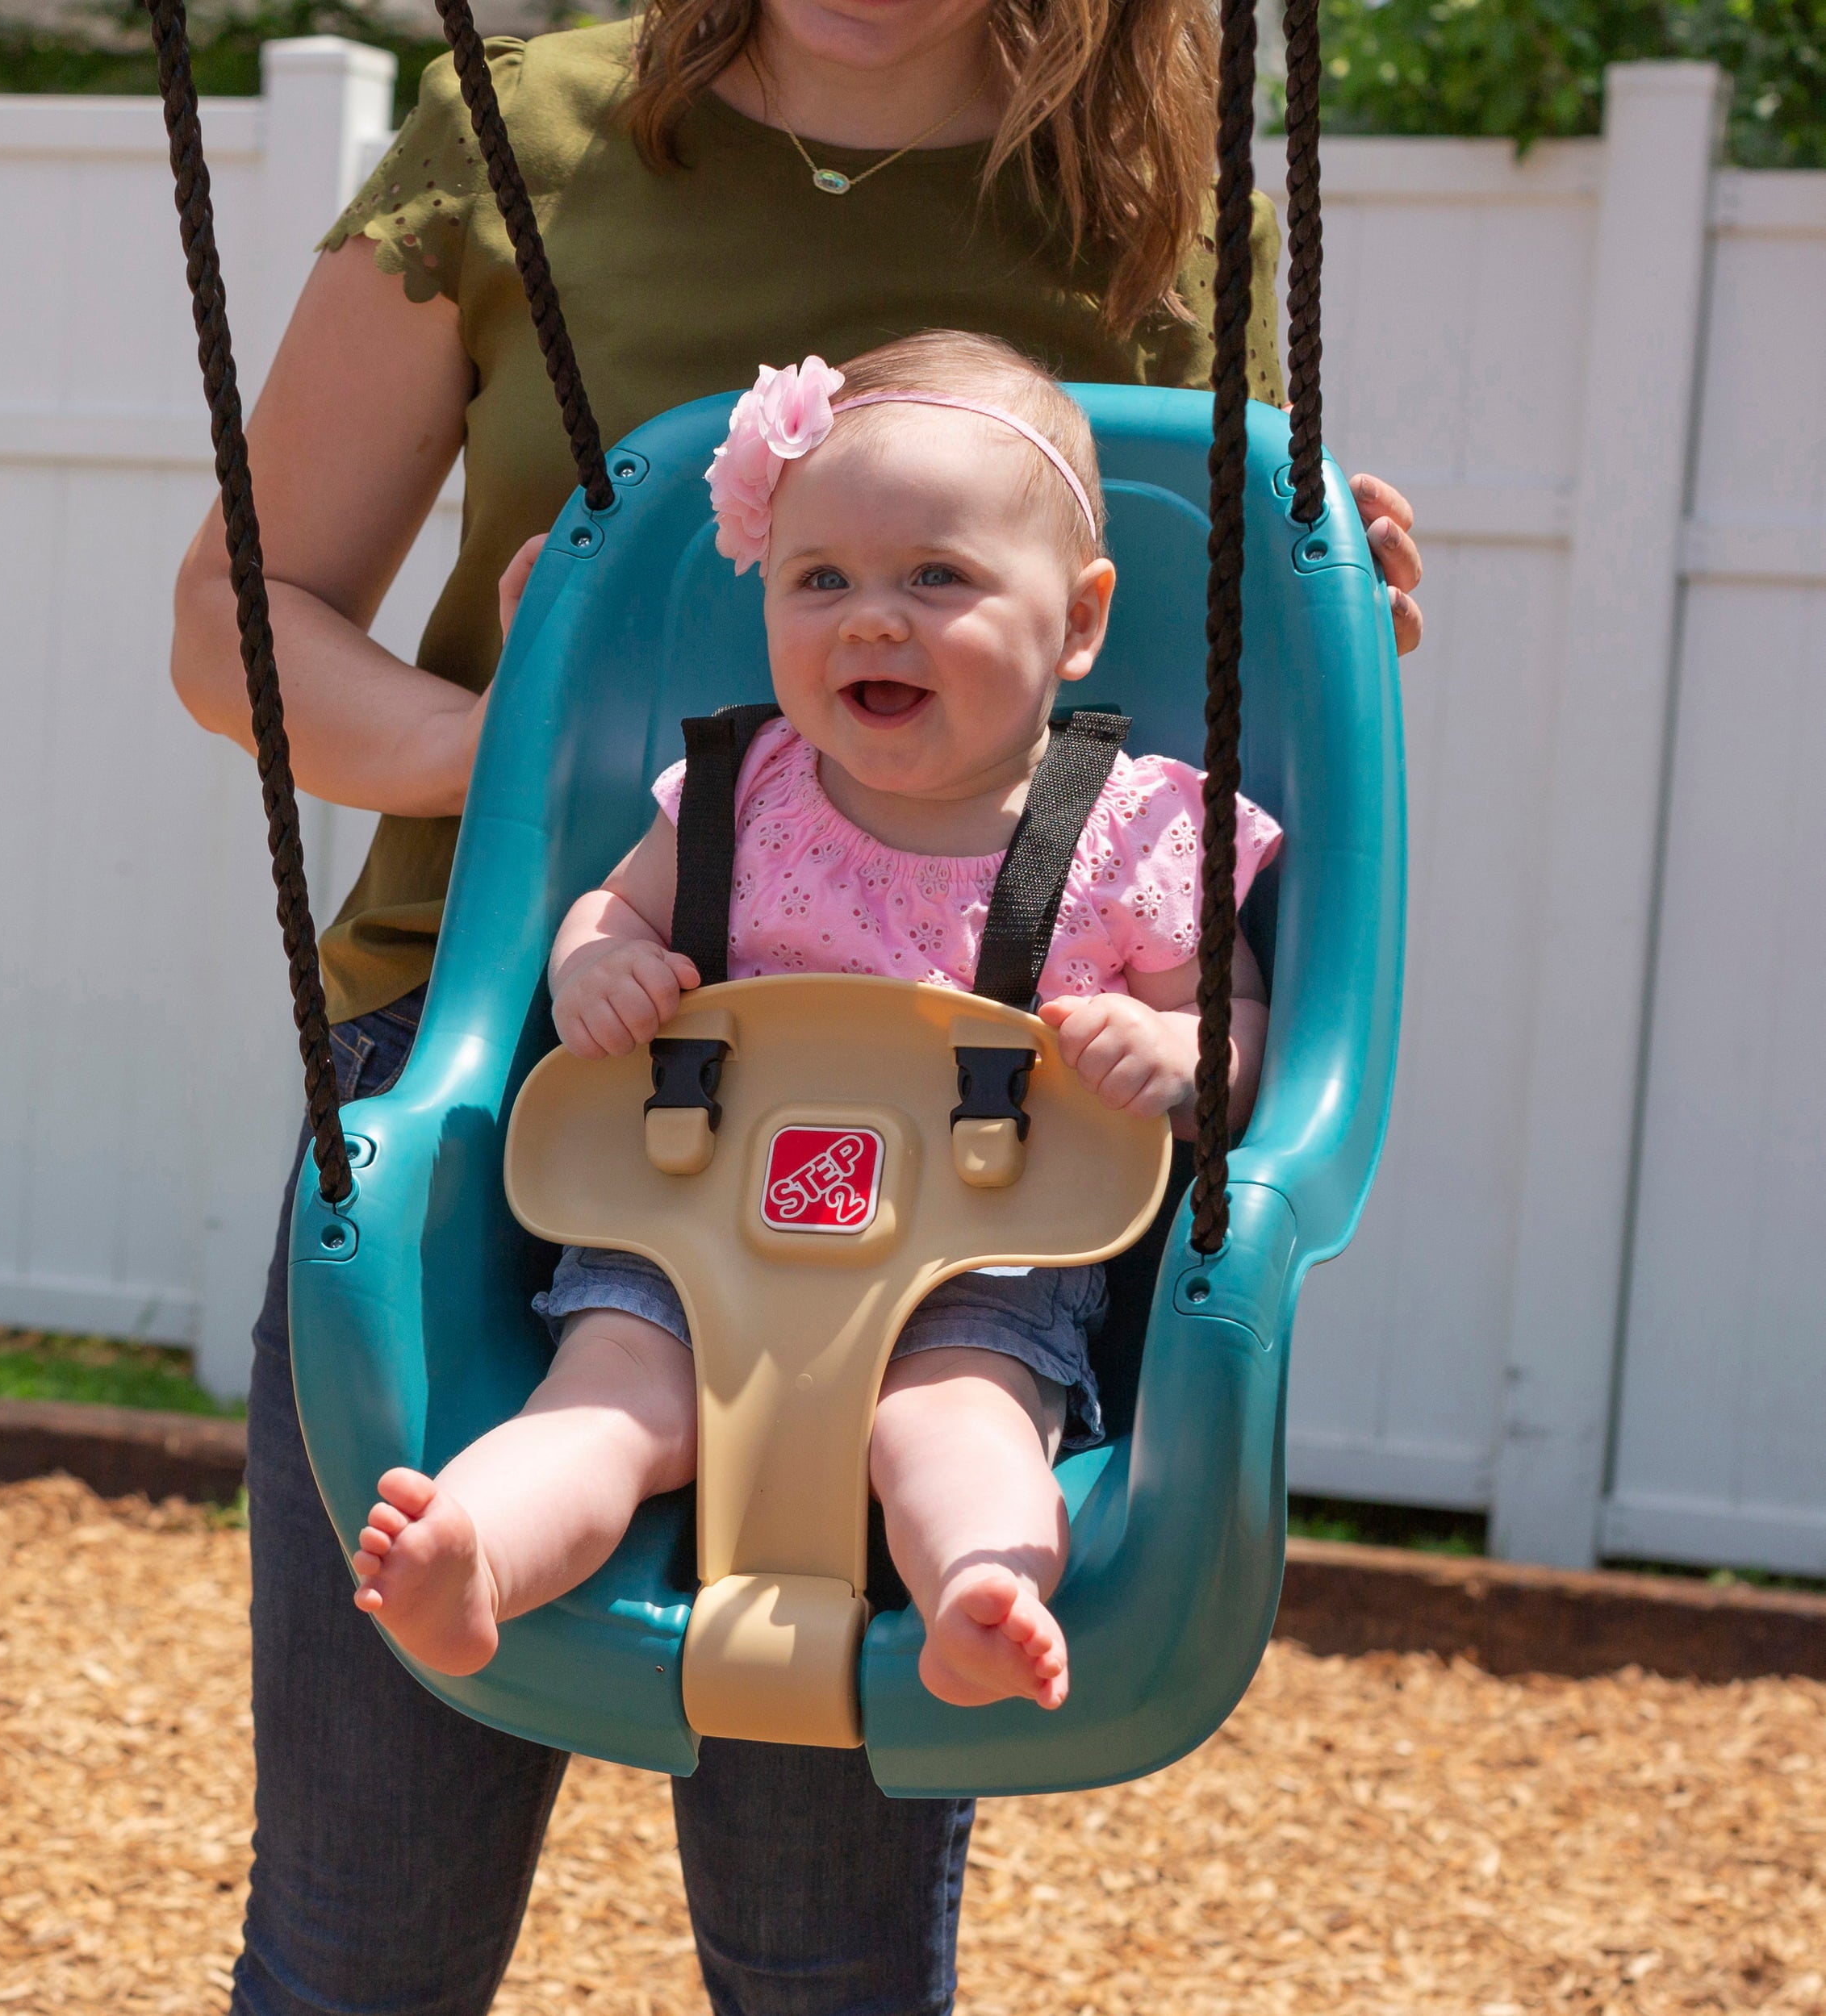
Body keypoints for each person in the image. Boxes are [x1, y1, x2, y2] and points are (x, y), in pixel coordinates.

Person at [169, 2, 1424, 2010]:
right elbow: (242, 624)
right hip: (542, 1084)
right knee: (360, 1928)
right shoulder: (523, 138)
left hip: (974, 1164)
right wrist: (540, 792)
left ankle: (979, 1579)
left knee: (819, 1947)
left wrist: (1322, 593)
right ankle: (480, 1541)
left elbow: (1200, 631)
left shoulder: (1135, 187)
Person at [349, 332, 1281, 1713]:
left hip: (979, 1266)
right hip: (693, 1230)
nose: (873, 619)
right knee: (608, 1403)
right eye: (821, 579)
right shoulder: (744, 787)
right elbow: (613, 911)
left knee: (955, 1428)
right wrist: (594, 969)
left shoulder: (1135, 827)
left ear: (1080, 620)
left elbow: (1243, 1031)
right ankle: (473, 1558)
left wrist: (1184, 1056)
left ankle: (981, 1593)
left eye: (938, 578)